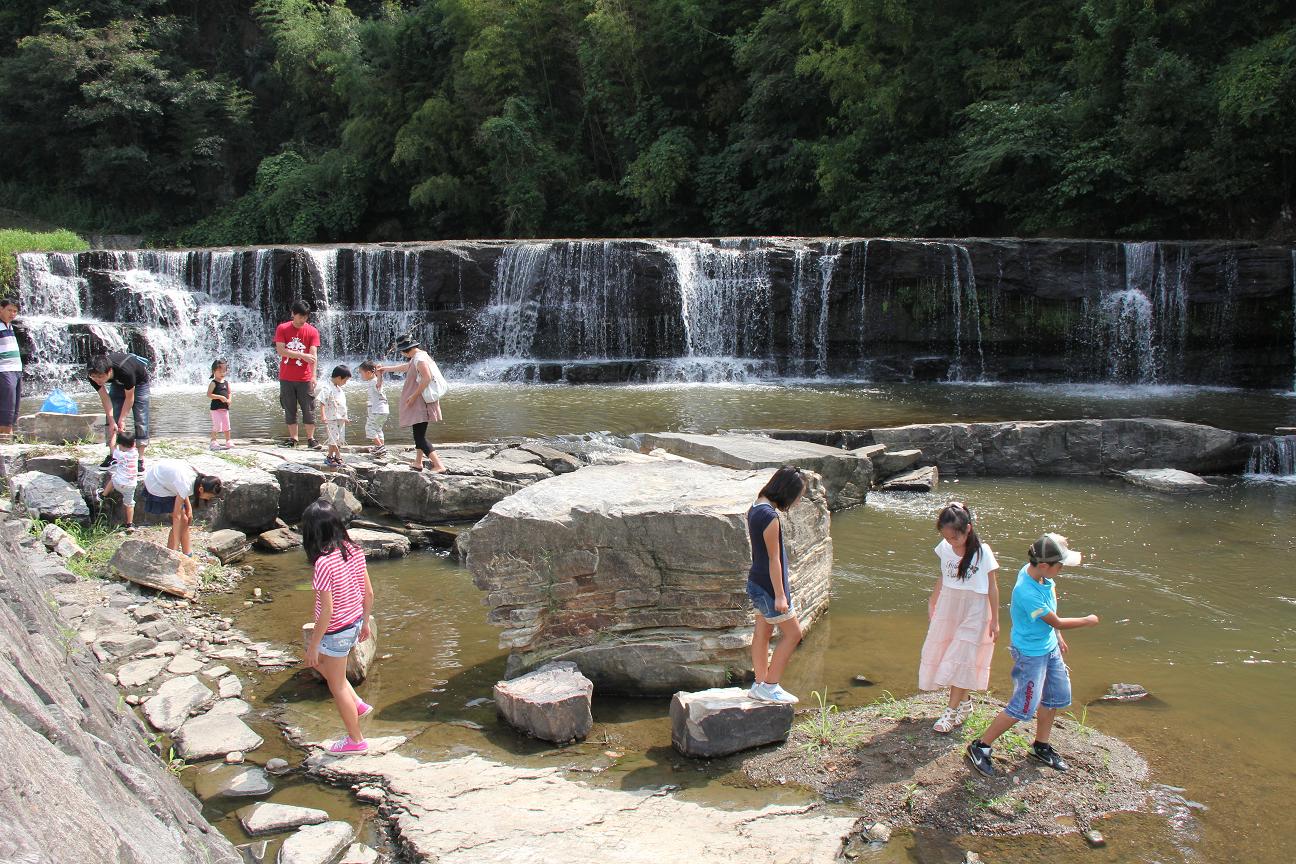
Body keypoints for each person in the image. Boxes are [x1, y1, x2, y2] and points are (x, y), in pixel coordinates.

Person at [966, 533, 1100, 778]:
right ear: (1045, 565)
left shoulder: (1040, 574)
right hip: (1030, 655)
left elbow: (1051, 611)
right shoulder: (1027, 592)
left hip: (1048, 647)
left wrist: (1057, 636)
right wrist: (1087, 620)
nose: (1062, 569)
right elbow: (1055, 620)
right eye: (1060, 565)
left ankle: (1041, 745)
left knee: (1054, 696)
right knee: (1023, 705)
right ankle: (980, 746)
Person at [919, 502, 1000, 733]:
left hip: (975, 608)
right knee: (946, 653)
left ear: (968, 529)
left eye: (955, 537)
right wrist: (933, 601)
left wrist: (995, 620)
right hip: (949, 605)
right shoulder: (945, 548)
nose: (951, 542)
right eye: (947, 537)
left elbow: (992, 587)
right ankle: (965, 703)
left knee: (962, 656)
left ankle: (950, 712)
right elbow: (944, 575)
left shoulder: (983, 552)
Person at [301, 499, 374, 755]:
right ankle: (358, 705)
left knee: (337, 684)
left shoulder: (323, 563)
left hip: (335, 631)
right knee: (325, 666)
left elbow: (327, 610)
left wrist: (313, 644)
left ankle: (356, 741)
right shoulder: (354, 550)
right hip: (353, 622)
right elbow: (369, 593)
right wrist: (365, 622)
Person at [746, 465, 806, 705]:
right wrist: (780, 595)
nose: (797, 501)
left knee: (762, 633)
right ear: (786, 492)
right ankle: (770, 686)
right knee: (793, 634)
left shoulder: (755, 507)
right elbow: (774, 559)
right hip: (769, 587)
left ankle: (759, 684)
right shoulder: (770, 517)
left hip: (756, 582)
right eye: (798, 496)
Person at [376, 338, 446, 472]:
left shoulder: (419, 359)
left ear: (405, 351)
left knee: (419, 437)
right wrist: (386, 369)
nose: (402, 354)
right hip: (420, 401)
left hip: (420, 402)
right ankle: (418, 462)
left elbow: (427, 378)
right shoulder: (419, 356)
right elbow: (408, 367)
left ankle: (438, 465)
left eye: (402, 352)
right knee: (419, 433)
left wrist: (413, 396)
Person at [141, 459, 222, 556]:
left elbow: (182, 491)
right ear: (201, 489)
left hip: (165, 477)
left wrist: (189, 509)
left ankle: (186, 552)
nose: (209, 498)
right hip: (157, 482)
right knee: (182, 520)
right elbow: (176, 516)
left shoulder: (199, 478)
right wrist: (176, 545)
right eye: (210, 496)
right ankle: (172, 553)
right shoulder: (186, 484)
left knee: (185, 519)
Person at [87, 352, 151, 471]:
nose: (97, 380)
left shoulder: (125, 371)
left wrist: (122, 419)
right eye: (94, 377)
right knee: (111, 421)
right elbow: (105, 399)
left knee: (141, 418)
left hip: (139, 382)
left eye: (100, 377)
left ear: (109, 371)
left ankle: (140, 459)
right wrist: (112, 420)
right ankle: (113, 456)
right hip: (117, 383)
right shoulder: (92, 376)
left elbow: (130, 398)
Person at [275, 299, 321, 450]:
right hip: (286, 376)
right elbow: (281, 350)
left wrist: (313, 376)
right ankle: (293, 439)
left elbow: (313, 355)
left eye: (305, 317)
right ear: (293, 314)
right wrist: (302, 355)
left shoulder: (312, 331)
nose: (303, 320)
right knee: (289, 408)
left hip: (305, 377)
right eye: (300, 316)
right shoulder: (282, 328)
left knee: (309, 408)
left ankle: (311, 439)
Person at [95, 431, 139, 533]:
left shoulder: (119, 454)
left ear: (120, 445)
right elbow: (131, 444)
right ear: (133, 444)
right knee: (130, 504)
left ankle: (103, 495)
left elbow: (112, 446)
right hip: (131, 485)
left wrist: (114, 434)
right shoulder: (135, 453)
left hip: (118, 483)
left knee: (113, 477)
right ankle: (129, 524)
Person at [316, 365, 351, 468]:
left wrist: (345, 417)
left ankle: (332, 456)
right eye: (345, 380)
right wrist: (323, 415)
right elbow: (322, 402)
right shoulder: (327, 388)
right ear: (339, 378)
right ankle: (336, 456)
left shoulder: (339, 389)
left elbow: (342, 405)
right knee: (334, 438)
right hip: (331, 418)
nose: (345, 383)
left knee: (339, 439)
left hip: (341, 418)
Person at [0, 298, 22, 442]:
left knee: (13, 410)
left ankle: (8, 441)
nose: (12, 314)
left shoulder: (9, 326)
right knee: (6, 410)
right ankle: (5, 444)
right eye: (9, 310)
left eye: (15, 311)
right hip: (4, 370)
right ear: (0, 309)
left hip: (16, 370)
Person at [357, 360, 389, 459]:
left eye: (361, 373)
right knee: (378, 429)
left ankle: (380, 447)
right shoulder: (372, 381)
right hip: (382, 410)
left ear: (368, 373)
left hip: (377, 410)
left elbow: (379, 384)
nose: (360, 375)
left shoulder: (375, 381)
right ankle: (380, 448)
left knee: (369, 428)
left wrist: (379, 374)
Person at [207, 359, 233, 450]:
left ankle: (228, 440)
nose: (222, 373)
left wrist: (229, 400)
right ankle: (213, 441)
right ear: (214, 371)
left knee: (227, 425)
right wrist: (220, 397)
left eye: (224, 371)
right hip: (215, 409)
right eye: (220, 371)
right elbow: (209, 394)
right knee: (217, 425)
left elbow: (229, 393)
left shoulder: (226, 383)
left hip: (224, 408)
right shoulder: (213, 383)